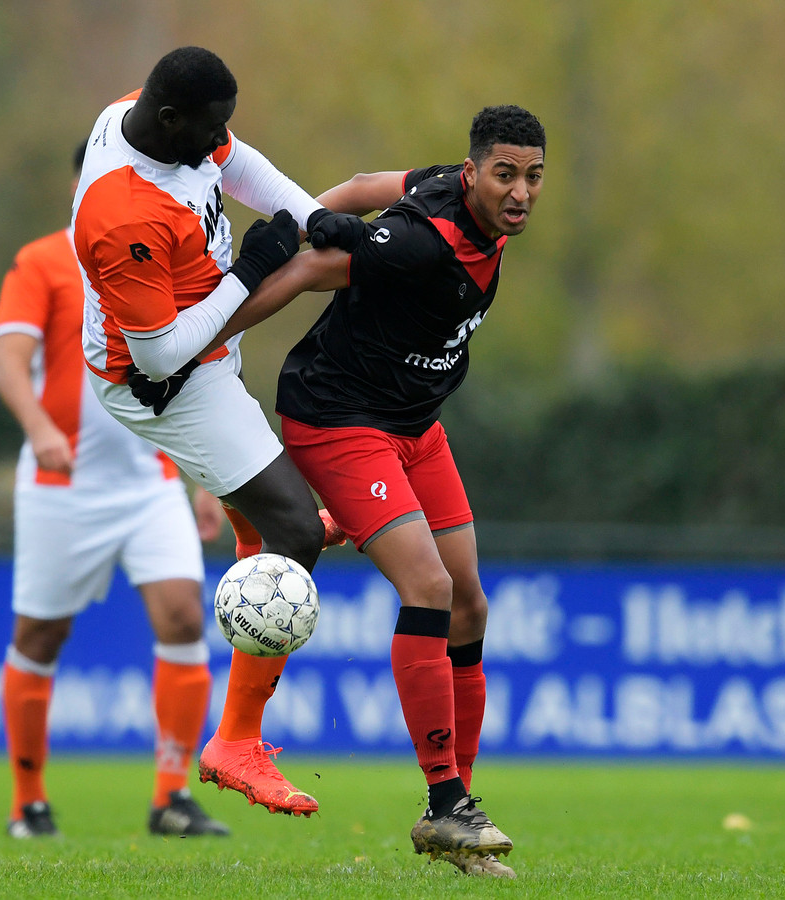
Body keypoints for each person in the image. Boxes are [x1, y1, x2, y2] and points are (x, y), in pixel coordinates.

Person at [213, 104, 547, 878]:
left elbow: (367, 183)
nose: (520, 190)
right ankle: (444, 806)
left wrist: (317, 212)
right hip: (338, 420)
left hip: (415, 425)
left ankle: (459, 810)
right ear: (473, 174)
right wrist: (204, 336)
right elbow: (302, 275)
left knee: (470, 601)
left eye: (532, 176)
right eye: (505, 174)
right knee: (427, 586)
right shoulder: (420, 246)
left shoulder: (444, 191)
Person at [71, 46, 358, 819]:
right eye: (210, 128)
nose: (220, 139)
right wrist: (254, 266)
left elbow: (239, 163)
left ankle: (256, 528)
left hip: (201, 350)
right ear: (169, 121)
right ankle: (234, 742)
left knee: (274, 513)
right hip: (165, 381)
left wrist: (306, 214)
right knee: (295, 532)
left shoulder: (147, 117)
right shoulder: (121, 213)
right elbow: (161, 350)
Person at [0, 140, 231, 839]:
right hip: (60, 486)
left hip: (151, 480)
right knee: (40, 634)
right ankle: (28, 802)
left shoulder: (169, 251)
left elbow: (196, 366)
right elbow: (8, 365)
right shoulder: (41, 261)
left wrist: (205, 473)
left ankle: (171, 797)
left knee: (185, 618)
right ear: (83, 184)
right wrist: (38, 427)